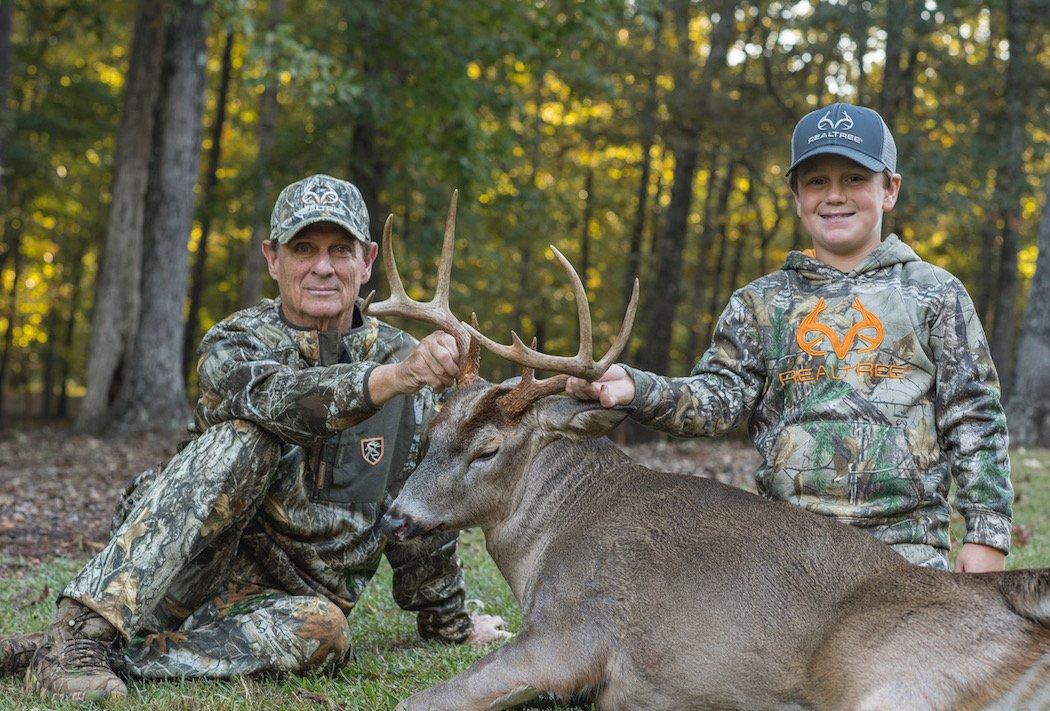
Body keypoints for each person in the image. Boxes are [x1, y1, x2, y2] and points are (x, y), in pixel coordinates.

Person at [1, 174, 507, 702]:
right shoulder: (234, 341)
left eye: (341, 250)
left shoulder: (406, 359)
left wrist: (448, 621)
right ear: (273, 258)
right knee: (249, 436)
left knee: (326, 632)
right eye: (303, 249)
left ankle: (99, 657)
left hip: (280, 609)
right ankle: (77, 640)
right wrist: (394, 380)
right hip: (178, 581)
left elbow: (420, 501)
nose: (323, 267)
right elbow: (280, 400)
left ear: (367, 260)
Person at [568, 102, 1012, 575]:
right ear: (797, 194)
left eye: (855, 179)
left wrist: (987, 534)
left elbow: (975, 416)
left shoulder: (934, 293)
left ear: (890, 190)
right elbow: (718, 400)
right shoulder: (761, 303)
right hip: (785, 556)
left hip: (905, 551)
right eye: (817, 181)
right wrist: (636, 387)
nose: (835, 196)